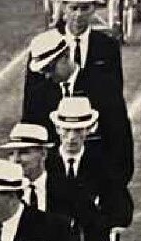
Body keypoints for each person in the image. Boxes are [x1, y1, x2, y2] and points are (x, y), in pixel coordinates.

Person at [22, 25, 133, 184]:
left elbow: (119, 136)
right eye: (43, 71)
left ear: (66, 56)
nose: (47, 75)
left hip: (97, 178)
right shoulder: (40, 93)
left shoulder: (102, 86)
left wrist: (115, 184)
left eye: (50, 68)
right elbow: (32, 134)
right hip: (54, 183)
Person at [47, 96, 133, 231]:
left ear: (89, 130)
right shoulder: (46, 164)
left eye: (78, 130)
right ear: (57, 129)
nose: (71, 137)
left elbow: (122, 209)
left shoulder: (102, 164)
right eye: (66, 129)